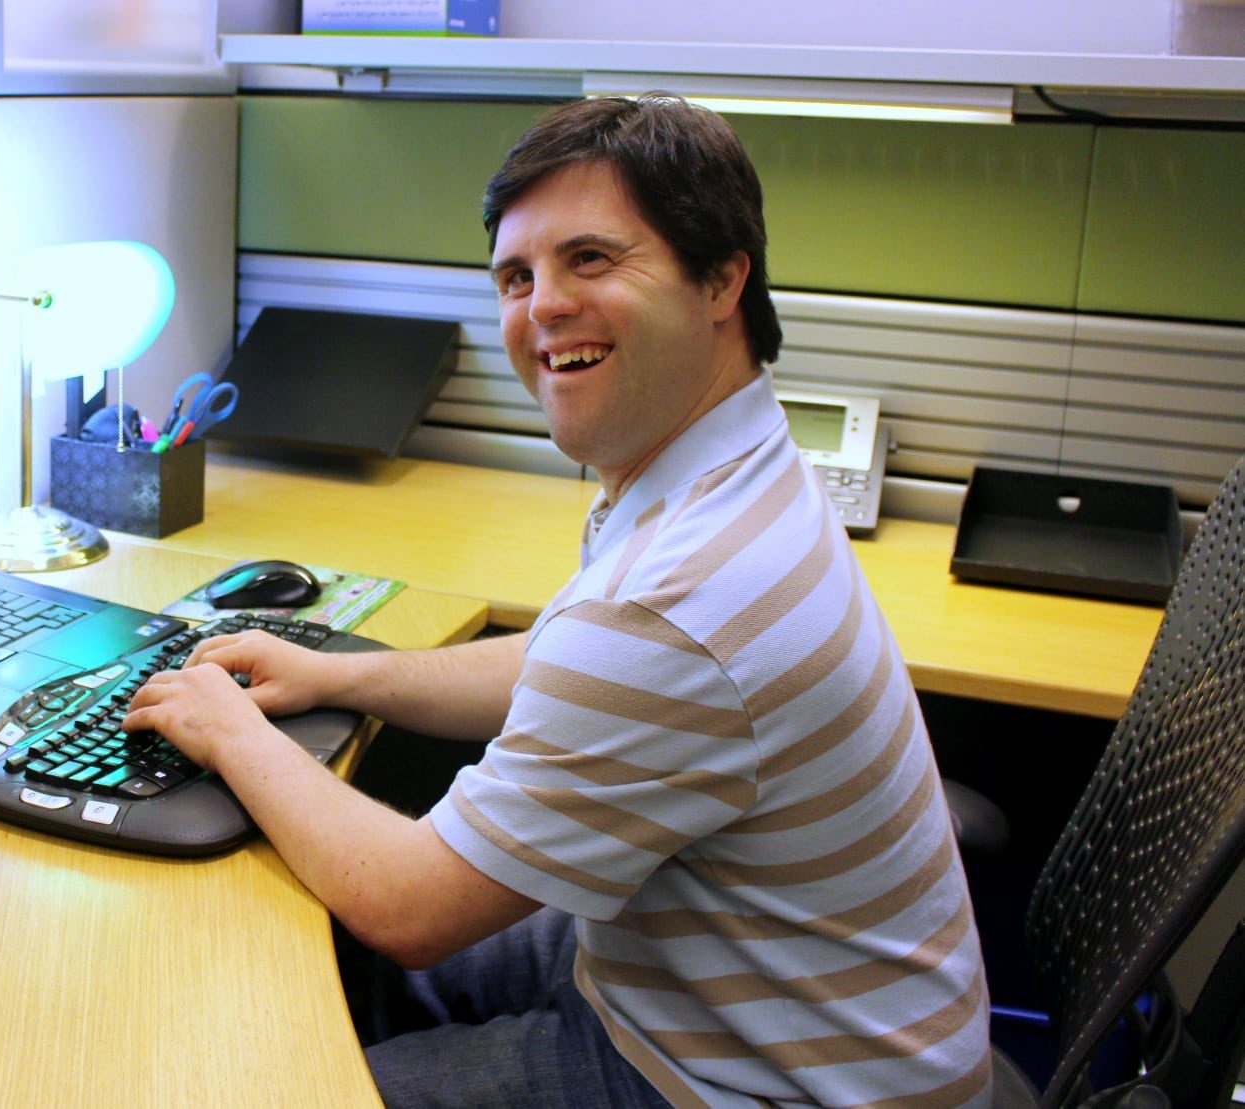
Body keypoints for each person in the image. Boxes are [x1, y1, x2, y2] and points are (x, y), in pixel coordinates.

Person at [124, 95, 991, 1107]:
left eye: (590, 259)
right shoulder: (727, 466)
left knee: (285, 1069)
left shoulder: (679, 598)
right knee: (315, 943)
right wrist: (340, 672)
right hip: (729, 990)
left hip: (750, 1082)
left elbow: (410, 901)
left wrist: (229, 730)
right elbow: (565, 659)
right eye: (516, 276)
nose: (541, 307)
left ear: (719, 276)